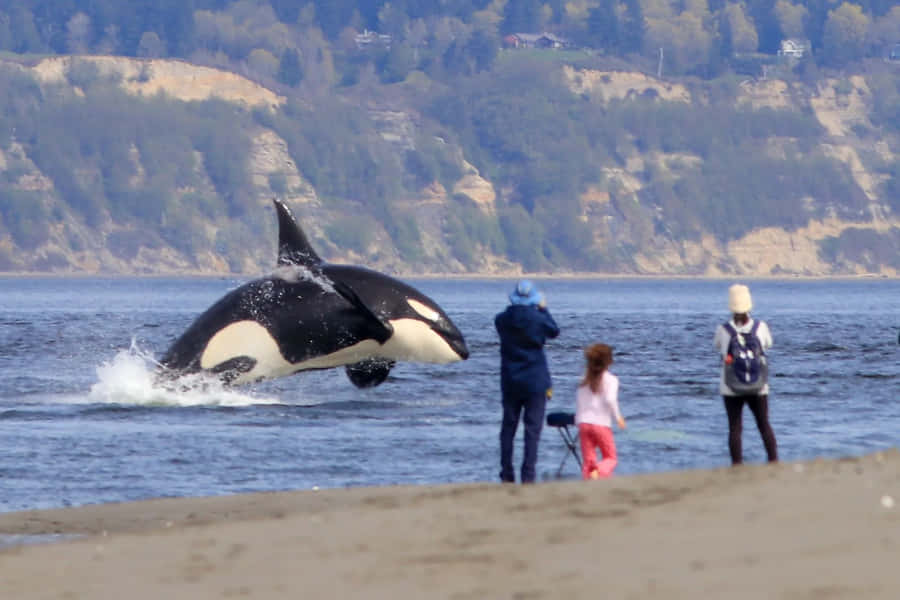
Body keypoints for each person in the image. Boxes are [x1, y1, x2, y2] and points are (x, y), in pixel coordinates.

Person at [495, 280, 560, 484]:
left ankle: (506, 473)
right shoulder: (539, 319)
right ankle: (528, 475)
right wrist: (544, 308)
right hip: (536, 381)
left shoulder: (501, 320)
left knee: (508, 429)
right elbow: (554, 330)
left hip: (510, 380)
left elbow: (505, 316)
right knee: (532, 430)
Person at [713, 284, 778, 465]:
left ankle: (737, 464)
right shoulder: (760, 327)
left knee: (735, 428)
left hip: (730, 386)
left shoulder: (723, 330)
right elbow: (768, 344)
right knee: (764, 424)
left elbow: (717, 346)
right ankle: (773, 461)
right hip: (758, 385)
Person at [574, 343, 626, 480]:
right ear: (609, 362)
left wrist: (578, 420)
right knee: (611, 457)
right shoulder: (611, 380)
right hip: (601, 424)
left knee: (588, 460)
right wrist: (618, 417)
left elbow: (579, 400)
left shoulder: (584, 380)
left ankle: (587, 480)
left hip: (584, 423)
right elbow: (610, 399)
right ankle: (598, 472)